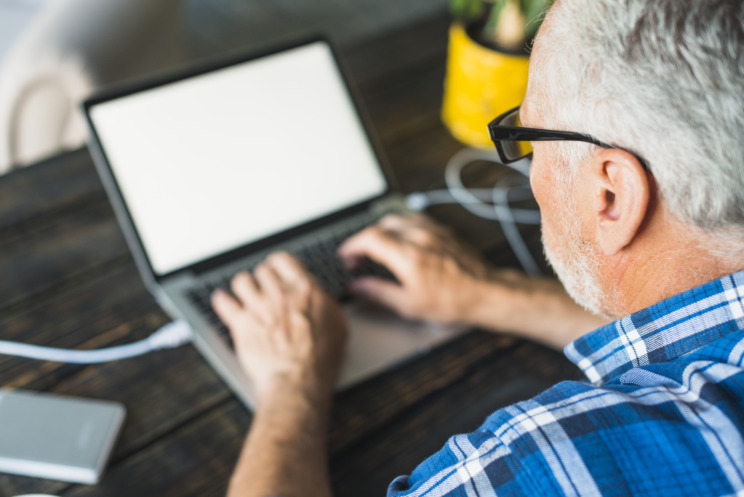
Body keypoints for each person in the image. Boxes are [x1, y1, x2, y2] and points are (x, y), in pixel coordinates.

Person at [211, 0, 744, 495]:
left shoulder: (545, 464)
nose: (531, 169)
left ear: (611, 196)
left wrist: (289, 388)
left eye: (532, 136)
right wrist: (489, 294)